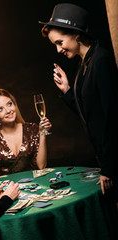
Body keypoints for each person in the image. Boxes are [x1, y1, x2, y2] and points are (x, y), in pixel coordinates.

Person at [39, 3, 118, 198]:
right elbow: (89, 114)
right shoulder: (84, 63)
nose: (58, 50)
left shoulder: (100, 59)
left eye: (60, 42)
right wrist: (67, 90)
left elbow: (113, 118)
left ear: (76, 33)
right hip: (105, 158)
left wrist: (108, 168)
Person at [0, 89, 52, 181]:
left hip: (34, 188)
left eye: (9, 104)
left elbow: (41, 166)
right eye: (0, 109)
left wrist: (42, 133)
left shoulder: (32, 129)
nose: (8, 111)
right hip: (6, 191)